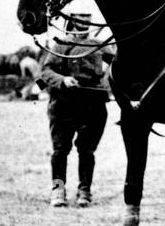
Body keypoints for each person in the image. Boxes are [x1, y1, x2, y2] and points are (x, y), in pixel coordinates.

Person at [36, 13, 111, 208]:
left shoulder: (100, 44)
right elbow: (45, 72)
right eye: (80, 18)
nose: (85, 21)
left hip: (93, 102)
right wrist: (62, 80)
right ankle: (58, 189)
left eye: (88, 17)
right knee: (60, 150)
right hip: (64, 102)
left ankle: (84, 190)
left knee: (87, 151)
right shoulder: (61, 44)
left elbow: (118, 63)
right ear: (73, 20)